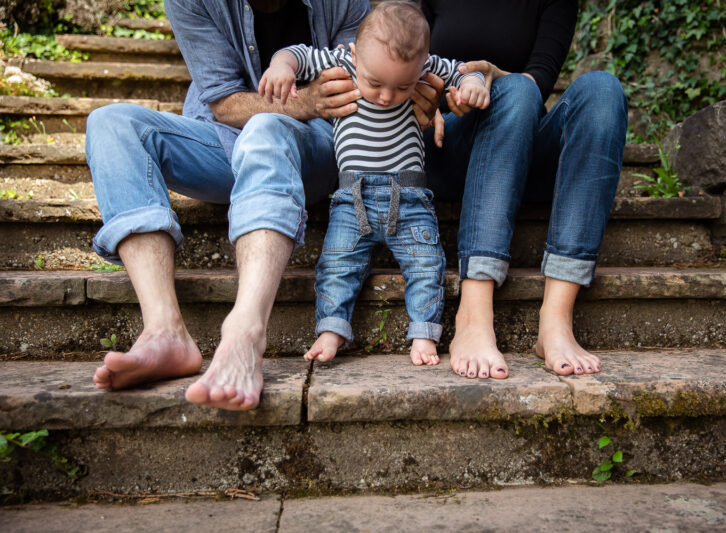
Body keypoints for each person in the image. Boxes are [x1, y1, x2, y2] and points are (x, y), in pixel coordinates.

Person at [85, 0, 443, 411]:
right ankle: (164, 331)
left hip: (318, 145)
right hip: (223, 138)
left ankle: (246, 331)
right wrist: (301, 99)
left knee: (266, 126)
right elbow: (221, 102)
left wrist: (424, 93)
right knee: (110, 124)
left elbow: (379, 82)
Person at [261, 1, 489, 366]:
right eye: (375, 83)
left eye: (403, 87)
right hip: (353, 201)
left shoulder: (426, 66)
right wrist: (280, 67)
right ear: (354, 53)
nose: (386, 96)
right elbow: (298, 54)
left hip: (411, 199)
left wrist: (473, 83)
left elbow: (461, 71)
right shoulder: (342, 62)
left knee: (426, 265)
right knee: (336, 264)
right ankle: (331, 330)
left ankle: (424, 333)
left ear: (422, 64)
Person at [420, 0, 628, 379]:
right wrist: (422, 97)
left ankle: (556, 319)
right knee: (515, 87)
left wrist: (494, 77)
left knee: (601, 89)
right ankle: (473, 314)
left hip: (516, 140)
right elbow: (397, 54)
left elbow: (540, 76)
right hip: (445, 144)